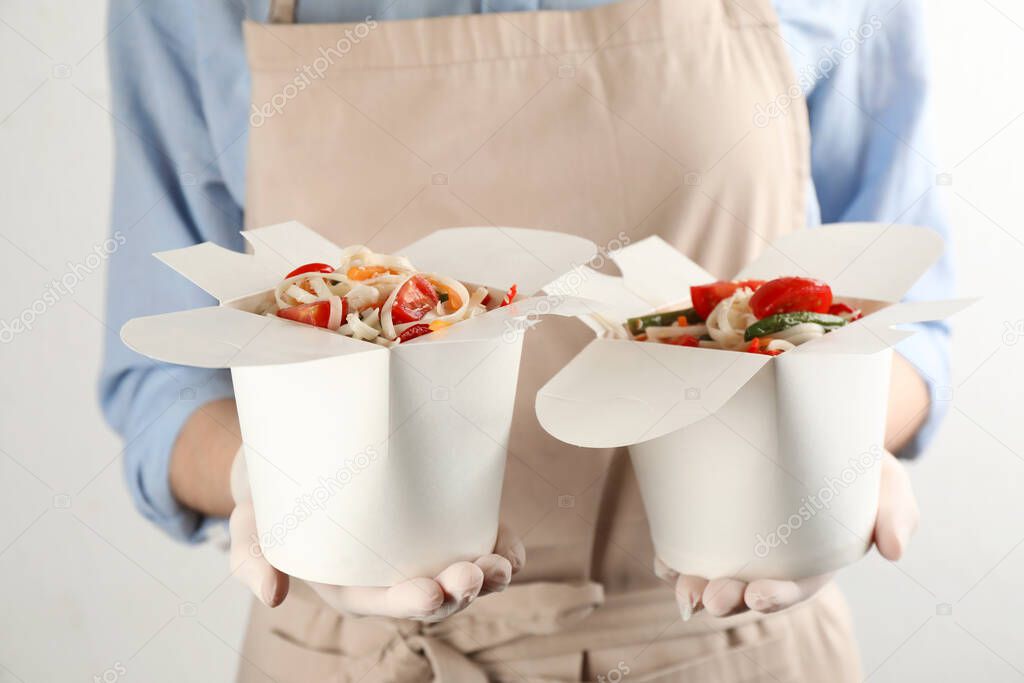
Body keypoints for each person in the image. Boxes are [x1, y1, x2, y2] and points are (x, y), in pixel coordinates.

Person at [100, 0, 952, 680]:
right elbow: (160, 387)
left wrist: (819, 463)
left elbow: (912, 317)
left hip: (728, 641)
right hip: (352, 656)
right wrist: (269, 483)